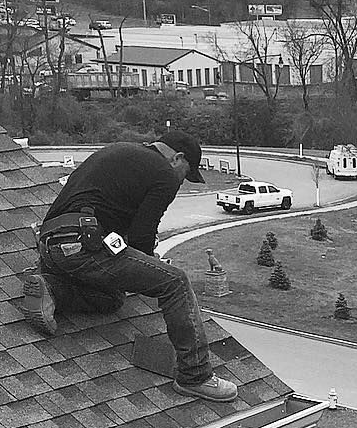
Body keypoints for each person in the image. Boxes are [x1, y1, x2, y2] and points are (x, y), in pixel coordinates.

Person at [22, 130, 237, 403]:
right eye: (186, 173)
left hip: (52, 248)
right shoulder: (164, 172)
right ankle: (196, 376)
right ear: (177, 158)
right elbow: (142, 236)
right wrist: (150, 268)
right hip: (83, 243)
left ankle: (53, 289)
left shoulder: (121, 152)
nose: (182, 182)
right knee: (176, 283)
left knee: (111, 298)